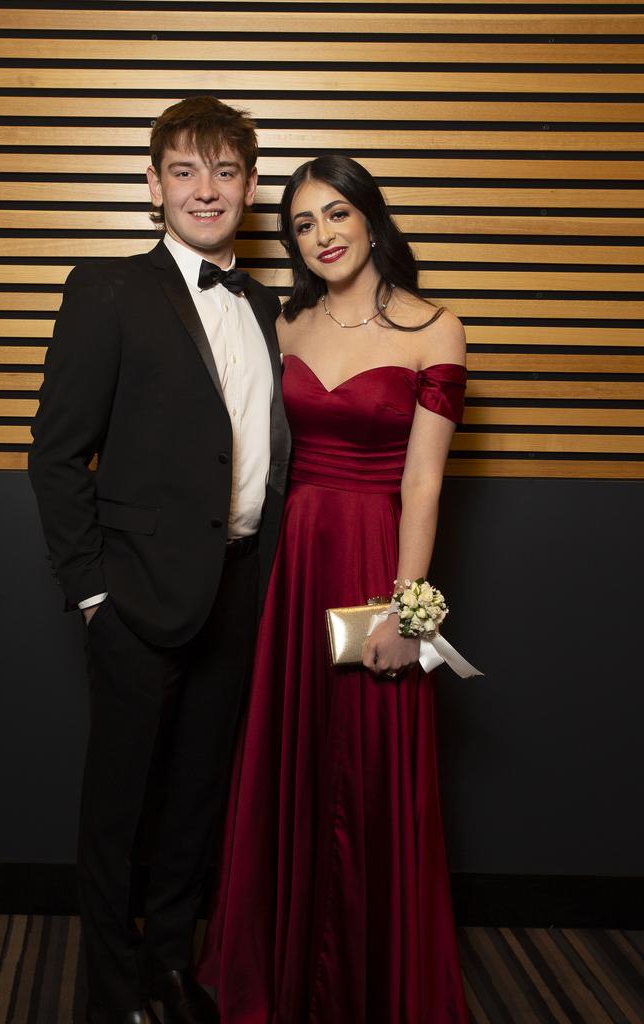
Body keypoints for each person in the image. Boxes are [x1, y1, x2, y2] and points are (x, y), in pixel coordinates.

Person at [28, 96, 290, 1024]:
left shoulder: (268, 306)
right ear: (152, 184)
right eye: (185, 170)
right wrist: (93, 590)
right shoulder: (106, 289)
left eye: (225, 171)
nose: (205, 189)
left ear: (251, 187)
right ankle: (111, 992)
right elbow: (56, 453)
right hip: (136, 598)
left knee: (195, 807)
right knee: (119, 813)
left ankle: (172, 969)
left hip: (240, 593)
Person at [198, 155, 470, 1023]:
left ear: (371, 217)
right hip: (288, 565)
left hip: (371, 561)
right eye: (303, 224)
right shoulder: (285, 326)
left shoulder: (437, 330)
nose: (321, 236)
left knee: (369, 768)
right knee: (288, 758)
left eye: (336, 214)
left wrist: (406, 606)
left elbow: (423, 484)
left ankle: (372, 982)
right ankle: (271, 973)